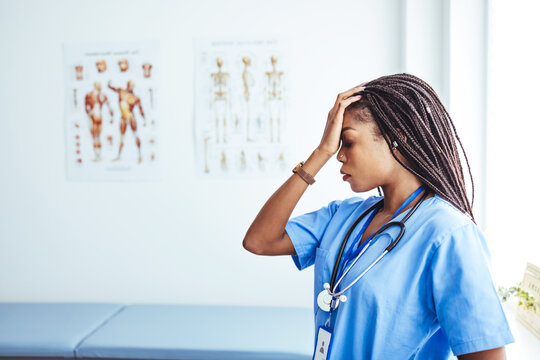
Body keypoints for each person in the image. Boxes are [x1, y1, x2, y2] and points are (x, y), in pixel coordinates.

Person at [243, 74, 514, 359]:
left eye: (346, 142)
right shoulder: (344, 215)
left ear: (397, 137)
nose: (338, 155)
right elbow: (259, 241)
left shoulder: (449, 235)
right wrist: (320, 152)